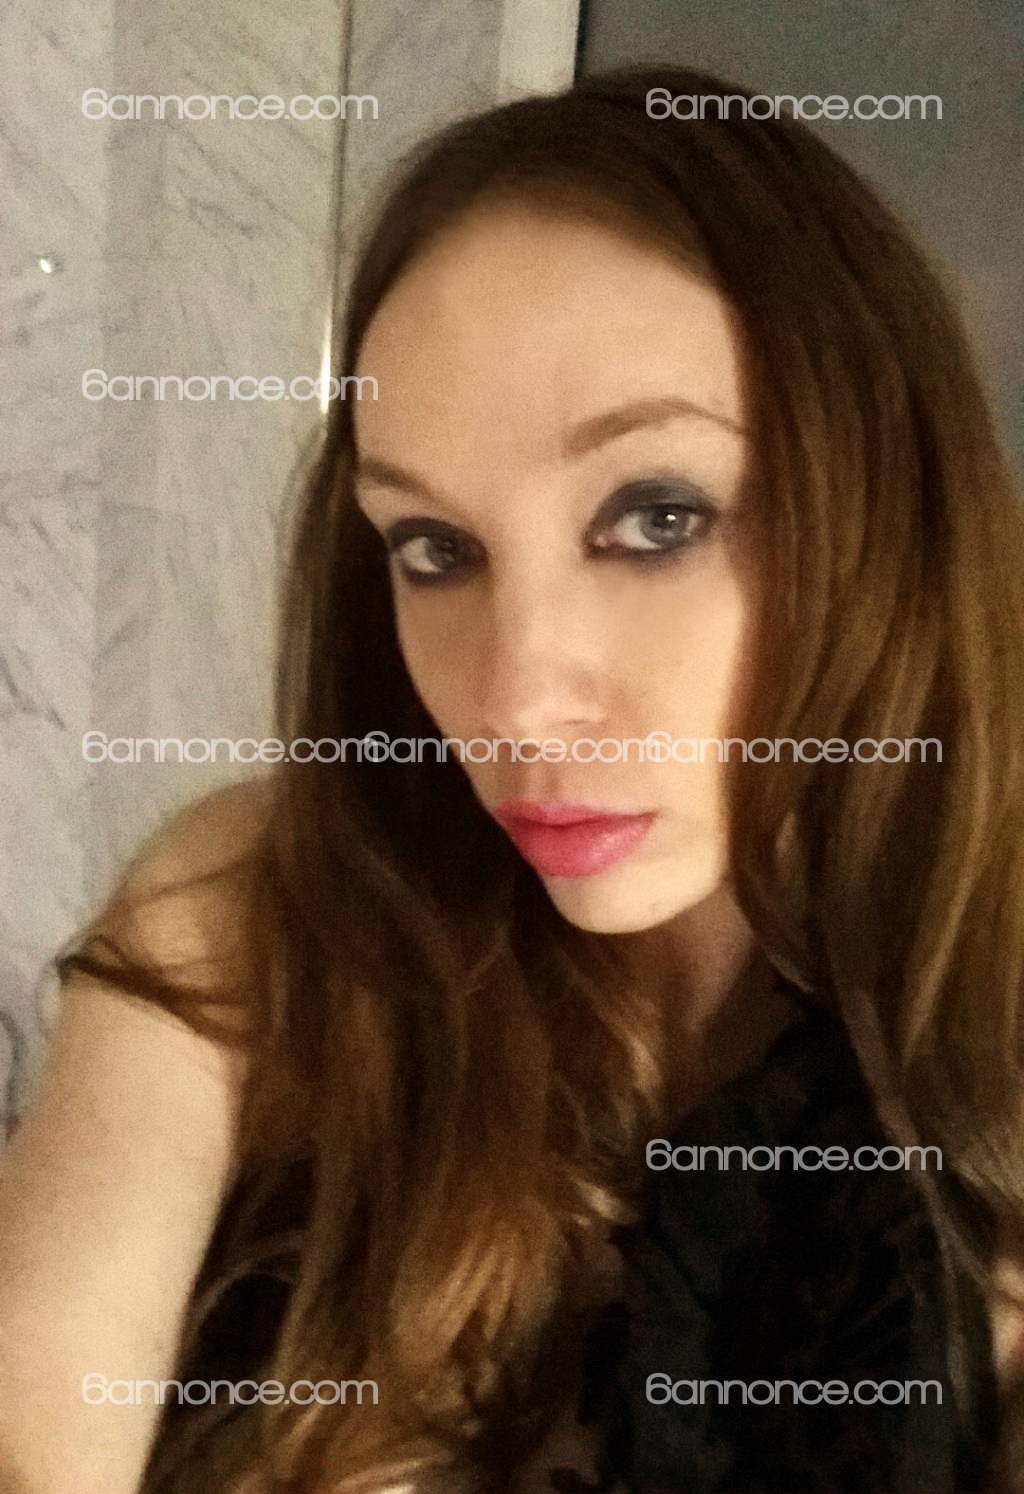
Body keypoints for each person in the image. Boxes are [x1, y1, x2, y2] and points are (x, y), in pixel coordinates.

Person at [1, 64, 1023, 1494]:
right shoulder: (255, 910)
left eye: (655, 516)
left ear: (886, 512)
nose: (516, 698)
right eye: (434, 548)